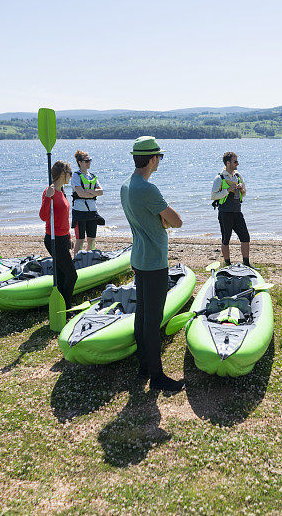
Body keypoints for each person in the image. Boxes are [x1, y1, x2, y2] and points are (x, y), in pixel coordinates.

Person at [120, 136, 184, 392]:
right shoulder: (148, 189)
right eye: (160, 156)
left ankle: (144, 367)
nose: (160, 161)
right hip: (154, 261)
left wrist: (162, 221)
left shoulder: (127, 186)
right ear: (152, 158)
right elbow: (176, 221)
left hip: (139, 258)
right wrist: (164, 222)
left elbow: (157, 219)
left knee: (142, 315)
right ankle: (157, 377)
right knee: (152, 319)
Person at [39, 160, 78, 311]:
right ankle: (66, 307)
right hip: (53, 240)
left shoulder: (61, 191)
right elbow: (43, 216)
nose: (71, 176)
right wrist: (48, 197)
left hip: (62, 238)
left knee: (62, 275)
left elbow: (63, 218)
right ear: (63, 174)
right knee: (71, 275)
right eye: (70, 173)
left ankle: (61, 306)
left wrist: (68, 236)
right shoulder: (50, 191)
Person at [211, 151, 250, 267]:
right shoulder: (219, 178)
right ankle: (227, 264)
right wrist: (228, 190)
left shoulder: (238, 176)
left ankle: (246, 264)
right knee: (226, 239)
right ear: (228, 163)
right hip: (225, 213)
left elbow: (244, 193)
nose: (237, 164)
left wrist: (241, 189)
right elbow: (213, 196)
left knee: (245, 237)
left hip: (237, 212)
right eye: (235, 161)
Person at [70, 150, 104, 255]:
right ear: (80, 162)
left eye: (90, 160)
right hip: (79, 212)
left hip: (92, 211)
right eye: (87, 161)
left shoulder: (92, 176)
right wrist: (93, 193)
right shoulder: (76, 176)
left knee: (92, 239)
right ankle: (76, 262)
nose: (89, 162)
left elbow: (101, 192)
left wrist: (87, 192)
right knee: (80, 240)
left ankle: (90, 260)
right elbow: (80, 193)